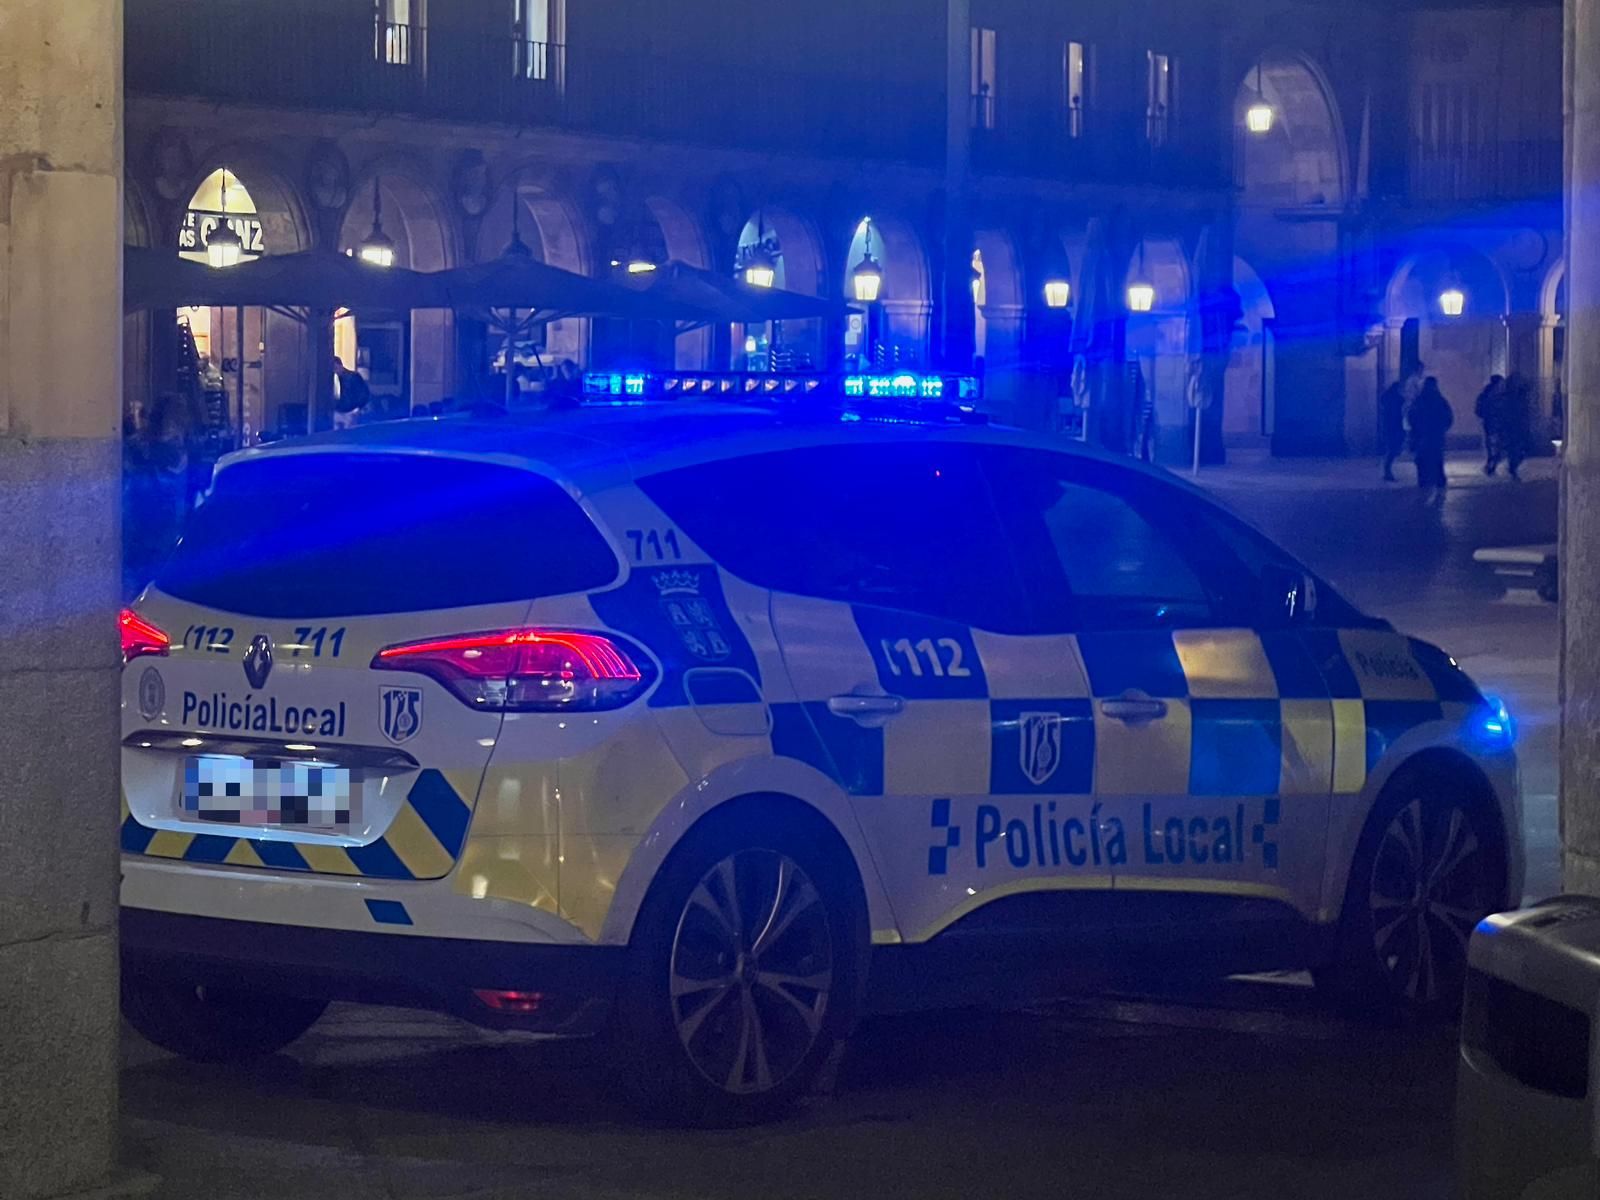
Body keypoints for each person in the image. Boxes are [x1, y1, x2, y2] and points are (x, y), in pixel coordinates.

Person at [1409, 375, 1454, 499]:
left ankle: (1424, 481)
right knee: (1437, 458)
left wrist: (1415, 431)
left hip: (1422, 435)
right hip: (1436, 434)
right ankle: (1439, 480)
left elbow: (1412, 416)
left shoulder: (1419, 400)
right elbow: (1448, 417)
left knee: (1422, 459)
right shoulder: (1440, 400)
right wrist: (1442, 428)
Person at [1380, 363, 1425, 481]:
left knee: (1393, 448)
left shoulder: (1392, 401)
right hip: (1395, 427)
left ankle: (1387, 471)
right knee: (1393, 449)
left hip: (1393, 427)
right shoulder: (1400, 398)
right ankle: (1387, 471)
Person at [1501, 372, 1535, 480]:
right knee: (1514, 449)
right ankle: (1512, 468)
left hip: (1518, 426)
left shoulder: (1520, 396)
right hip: (1513, 427)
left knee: (1520, 449)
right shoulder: (1510, 398)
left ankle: (1512, 467)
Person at [1474, 374, 1507, 476]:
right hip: (1493, 424)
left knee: (1495, 447)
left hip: (1493, 424)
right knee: (1495, 447)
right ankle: (1490, 466)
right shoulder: (1493, 396)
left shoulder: (1487, 394)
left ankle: (1490, 466)